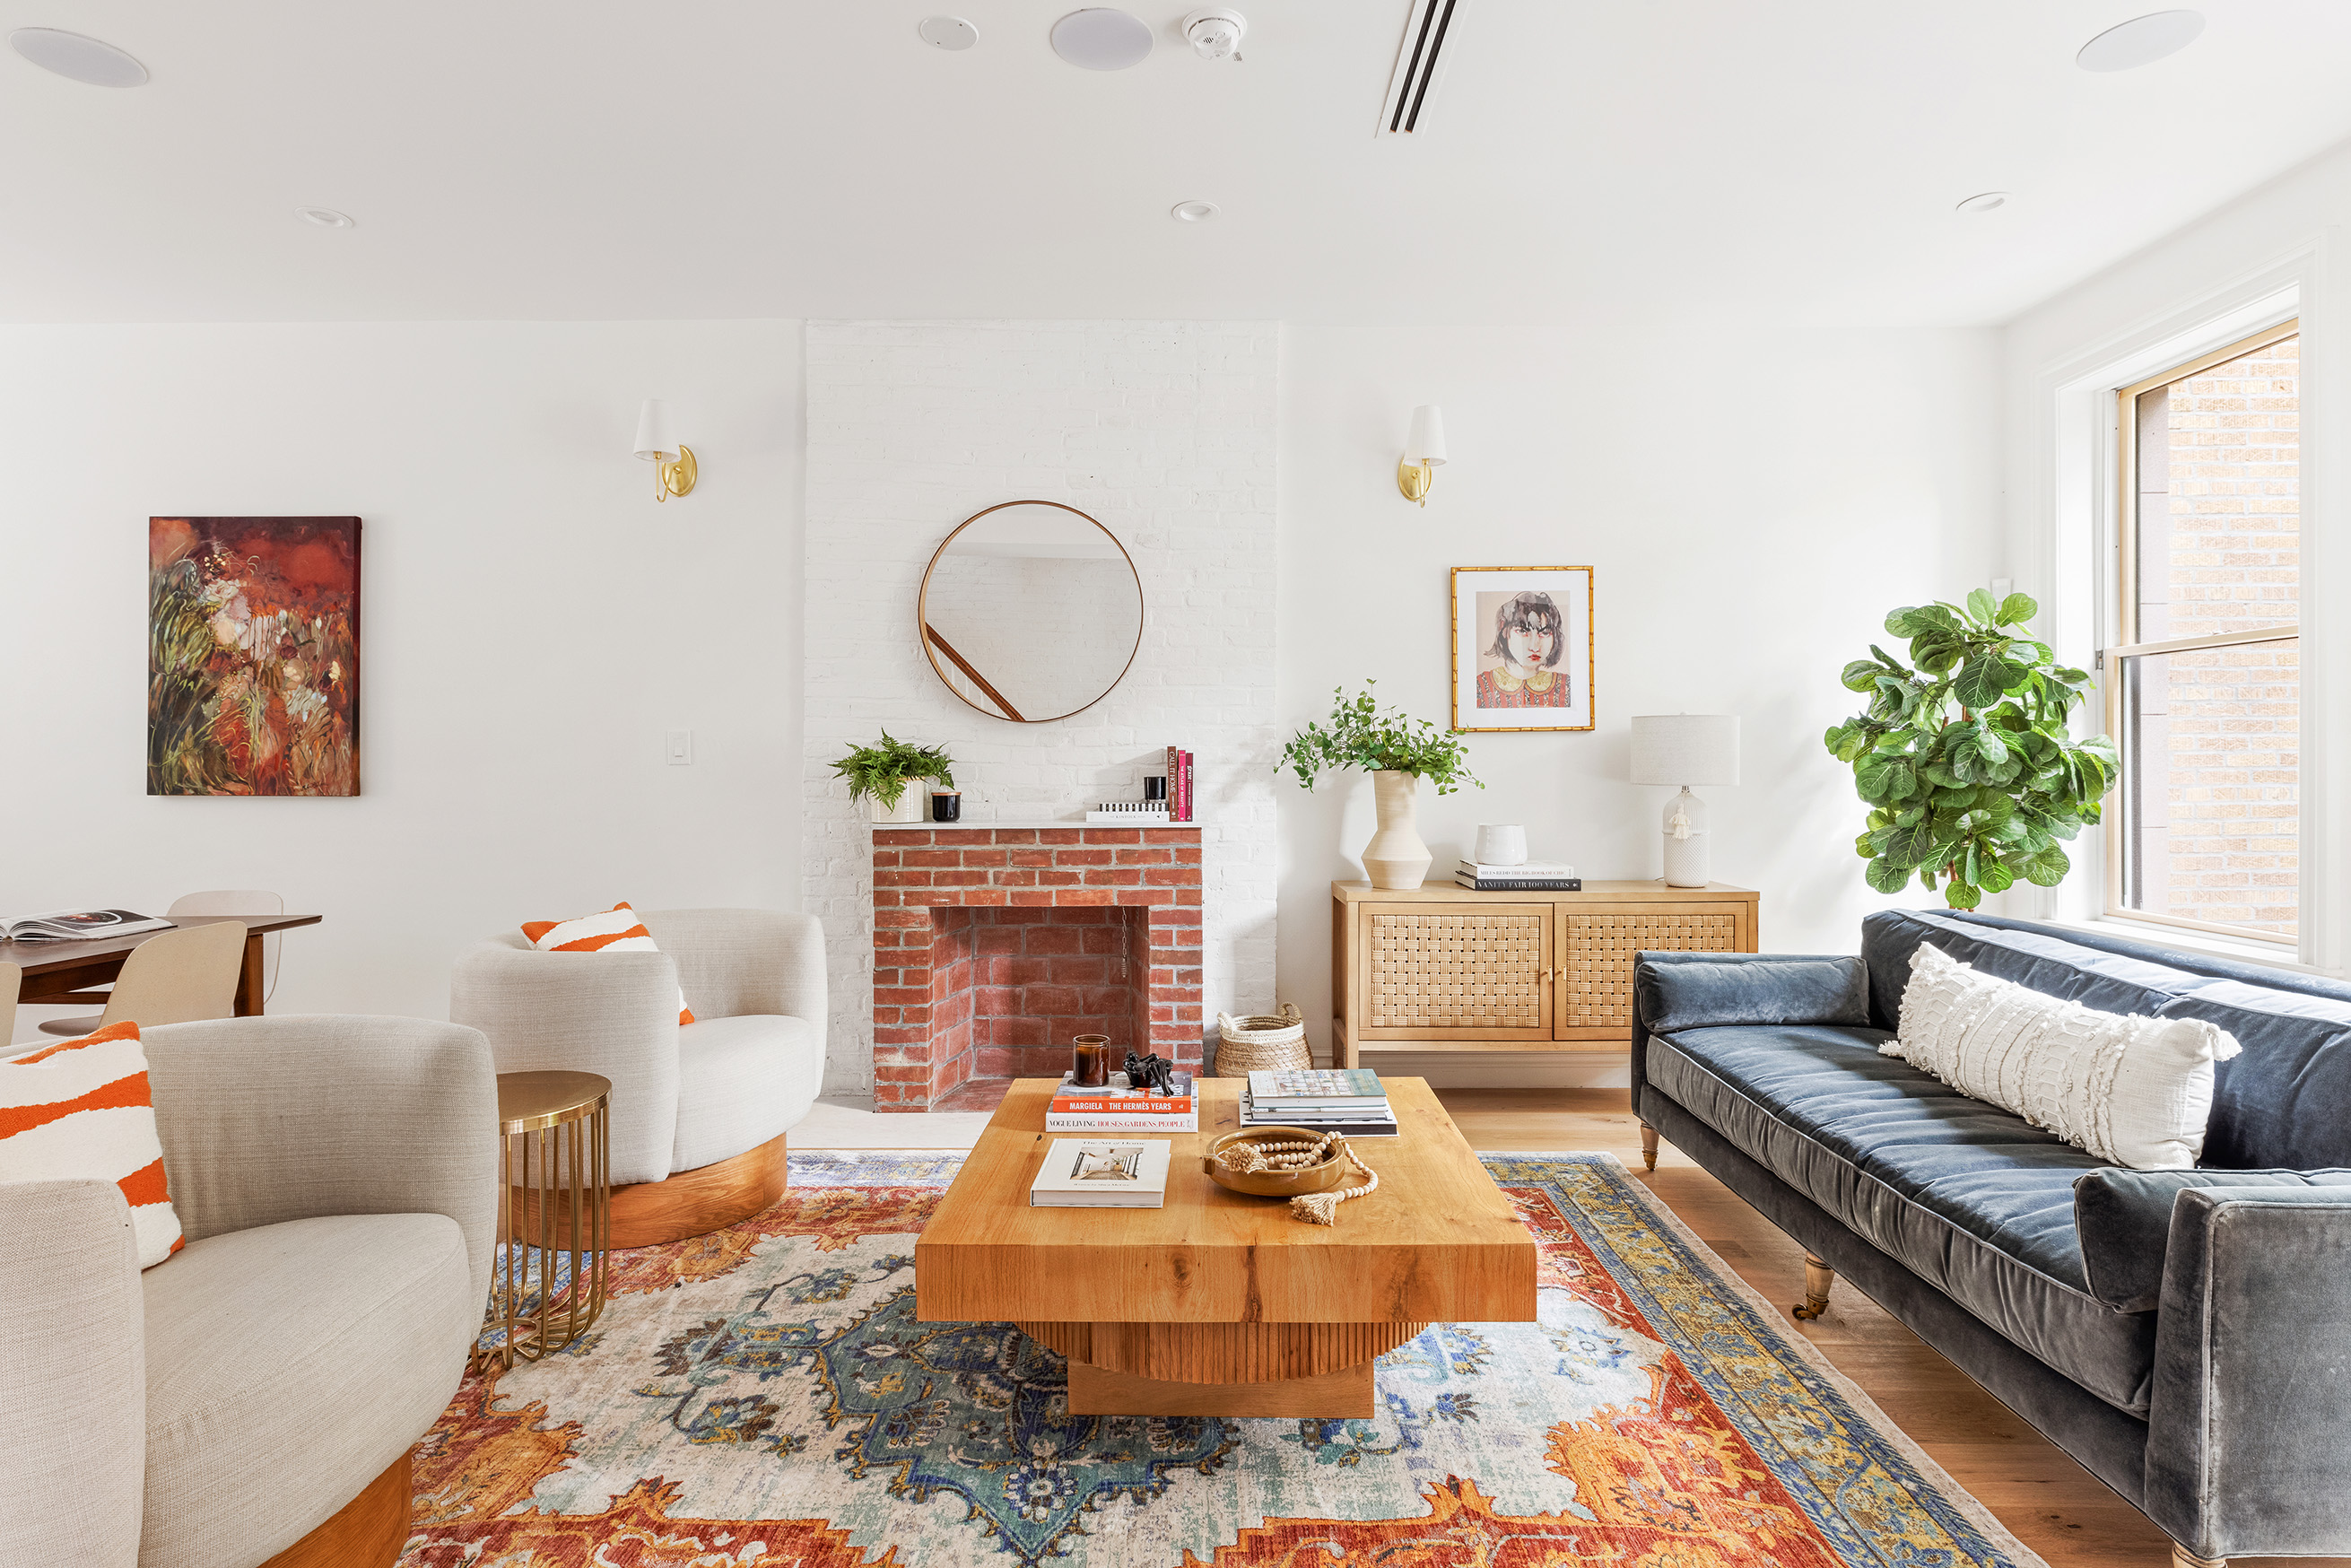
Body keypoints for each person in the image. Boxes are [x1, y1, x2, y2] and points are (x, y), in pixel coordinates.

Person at [1476, 591, 1570, 708]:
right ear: (1504, 631)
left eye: (1545, 633)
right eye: (1522, 631)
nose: (1534, 647)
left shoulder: (1566, 687)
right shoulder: (1480, 686)